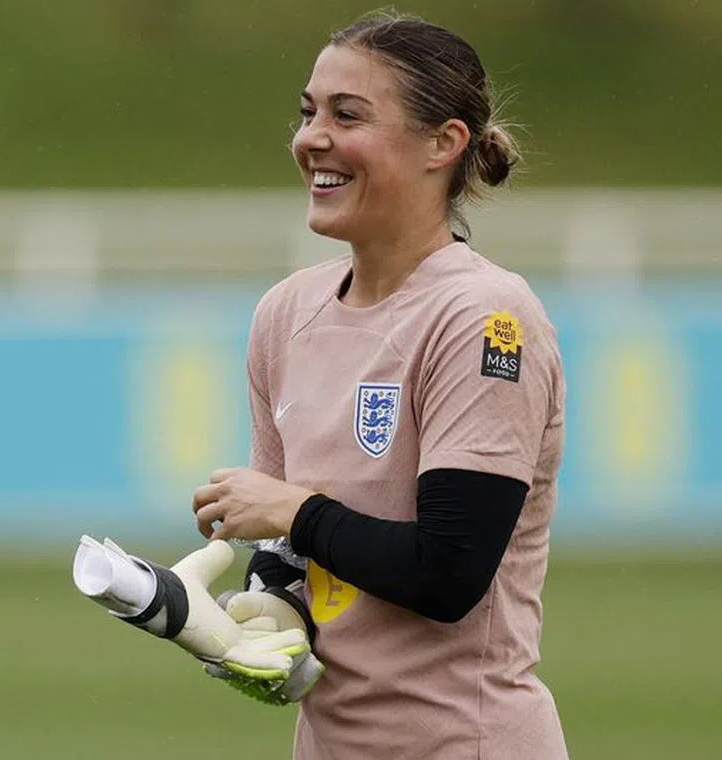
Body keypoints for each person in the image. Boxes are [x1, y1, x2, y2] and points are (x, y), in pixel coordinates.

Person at [191, 10, 568, 759]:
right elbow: (289, 553)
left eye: (347, 115)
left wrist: (296, 512)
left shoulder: (483, 316)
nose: (311, 138)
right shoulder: (285, 312)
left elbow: (449, 573)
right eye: (307, 113)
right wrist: (266, 621)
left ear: (444, 143)